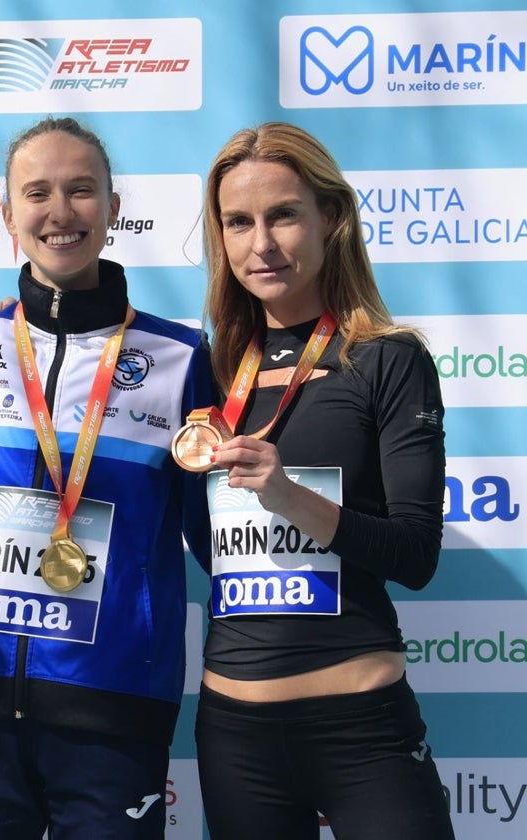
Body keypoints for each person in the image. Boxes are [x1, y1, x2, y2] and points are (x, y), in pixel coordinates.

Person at [0, 116, 215, 840]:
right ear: (7, 213)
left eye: (81, 191)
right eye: (37, 192)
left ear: (114, 208)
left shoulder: (179, 357)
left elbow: (214, 533)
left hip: (112, 704)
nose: (60, 211)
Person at [194, 121, 453, 839]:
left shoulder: (388, 360)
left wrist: (288, 497)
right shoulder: (210, 369)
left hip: (361, 727)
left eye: (283, 214)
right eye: (238, 222)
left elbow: (415, 554)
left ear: (331, 216)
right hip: (234, 729)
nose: (262, 244)